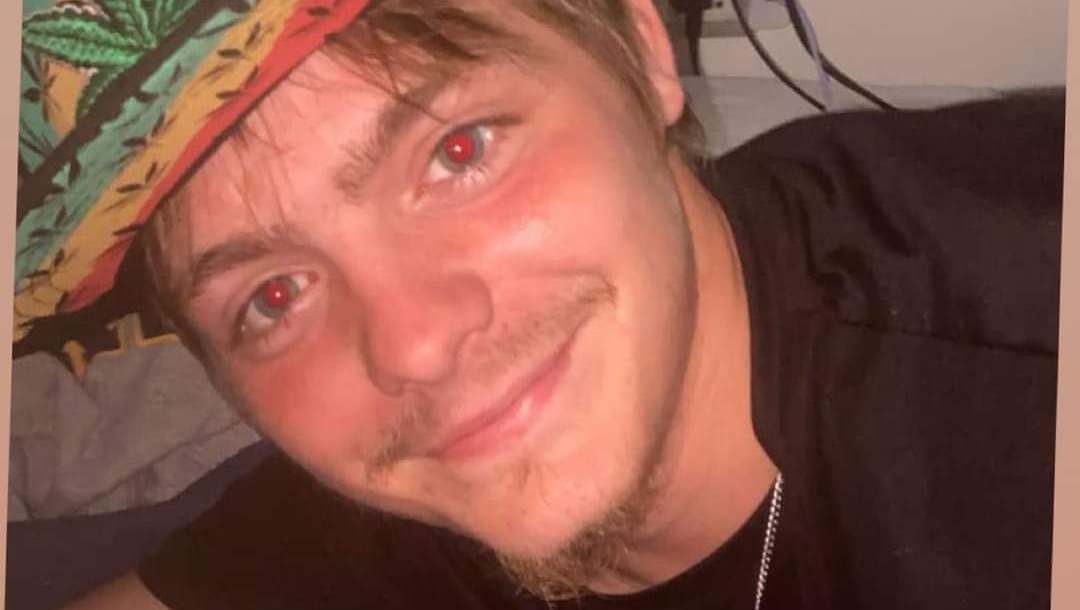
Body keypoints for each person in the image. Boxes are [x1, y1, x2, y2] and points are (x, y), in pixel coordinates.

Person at [12, 0, 1060, 608]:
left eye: (457, 150)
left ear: (641, 49)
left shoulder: (1019, 387)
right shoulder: (413, 483)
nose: (414, 345)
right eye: (274, 296)